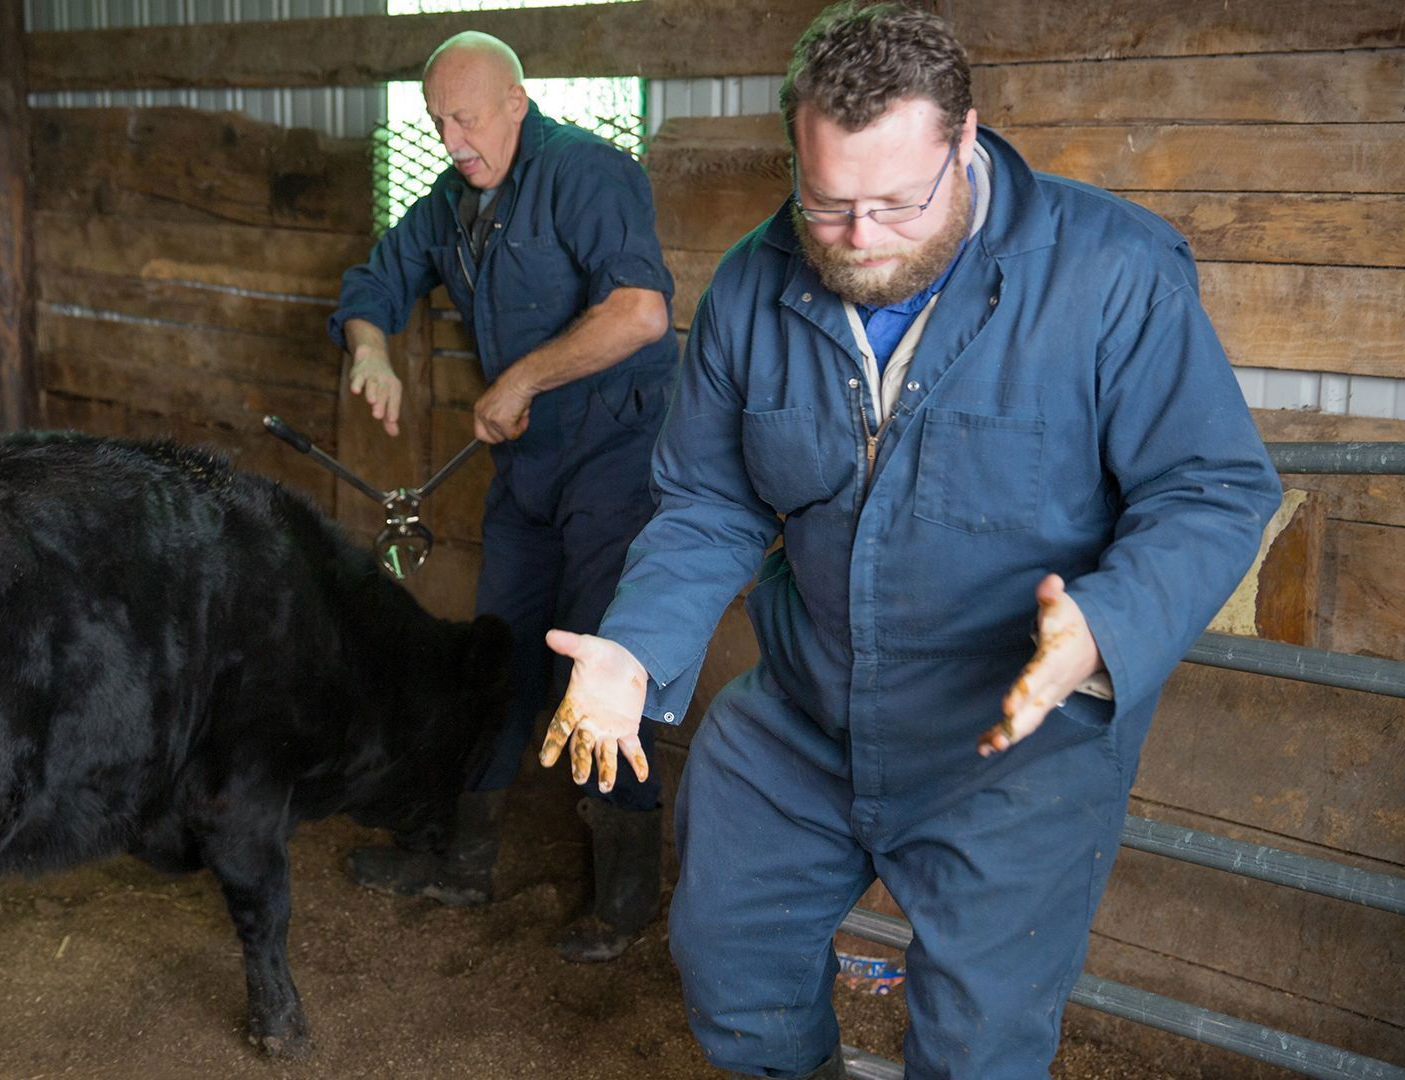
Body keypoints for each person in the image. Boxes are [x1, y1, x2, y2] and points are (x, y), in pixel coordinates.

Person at [536, 3, 1283, 1075]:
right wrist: (638, 643)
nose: (858, 238)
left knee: (979, 1044)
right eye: (827, 203)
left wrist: (1105, 629)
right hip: (806, 712)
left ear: (965, 141)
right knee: (728, 967)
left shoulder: (1109, 276)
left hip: (1015, 736)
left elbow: (1211, 487)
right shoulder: (754, 283)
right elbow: (709, 496)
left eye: (895, 203)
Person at [327, 31, 678, 963]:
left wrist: (520, 380)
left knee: (599, 658)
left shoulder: (588, 174)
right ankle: (466, 856)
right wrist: (371, 347)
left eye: (467, 118)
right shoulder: (451, 201)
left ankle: (628, 885)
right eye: (438, 121)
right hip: (527, 472)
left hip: (615, 456)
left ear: (517, 102)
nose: (451, 139)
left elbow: (641, 311)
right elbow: (377, 281)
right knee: (498, 650)